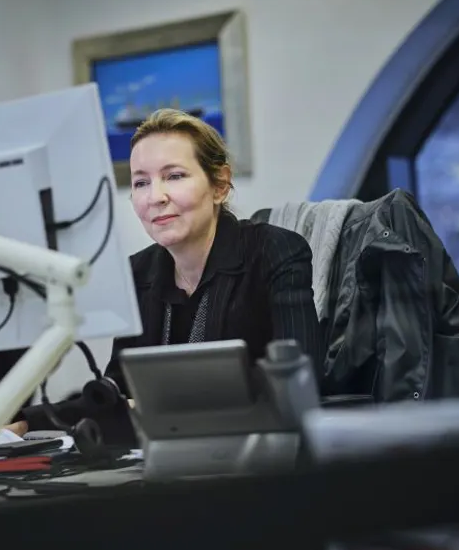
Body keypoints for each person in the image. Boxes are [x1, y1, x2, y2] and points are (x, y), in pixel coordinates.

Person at [101, 108, 324, 393]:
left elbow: (302, 380)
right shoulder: (136, 274)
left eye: (175, 176)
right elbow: (117, 391)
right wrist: (31, 418)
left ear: (219, 185)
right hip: (166, 437)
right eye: (141, 182)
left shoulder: (274, 251)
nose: (155, 197)